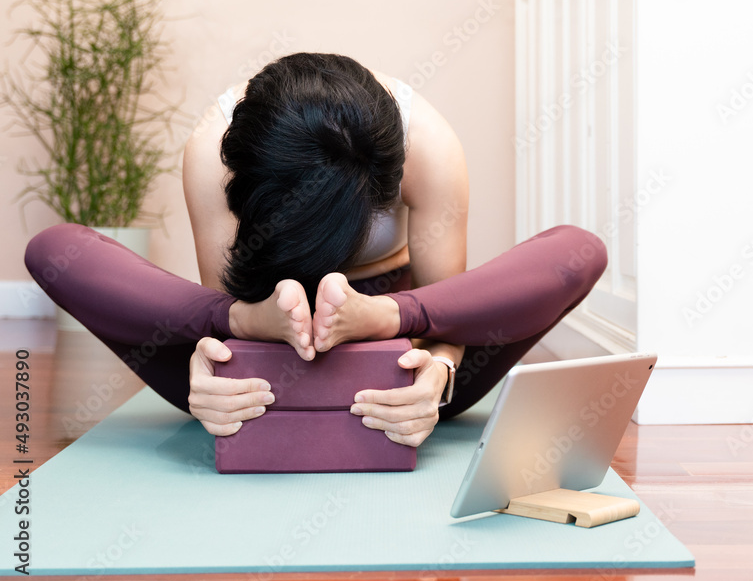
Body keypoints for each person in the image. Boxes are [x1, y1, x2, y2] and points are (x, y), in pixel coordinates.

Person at [24, 52, 607, 448]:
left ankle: (388, 320)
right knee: (55, 251)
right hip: (259, 352)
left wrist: (435, 365)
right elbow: (220, 313)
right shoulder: (213, 149)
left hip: (397, 359)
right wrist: (224, 343)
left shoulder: (425, 141)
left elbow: (448, 316)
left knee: (578, 251)